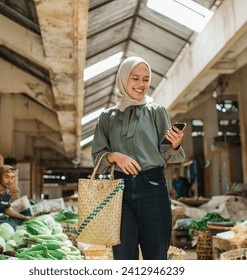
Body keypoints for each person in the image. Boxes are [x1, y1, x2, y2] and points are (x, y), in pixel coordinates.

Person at [91, 56, 186, 260]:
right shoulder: (107, 118)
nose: (141, 84)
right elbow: (97, 160)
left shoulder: (157, 112)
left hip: (153, 186)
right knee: (123, 257)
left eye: (146, 79)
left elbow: (166, 153)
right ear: (123, 79)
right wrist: (115, 157)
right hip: (119, 190)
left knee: (156, 256)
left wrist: (175, 143)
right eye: (135, 78)